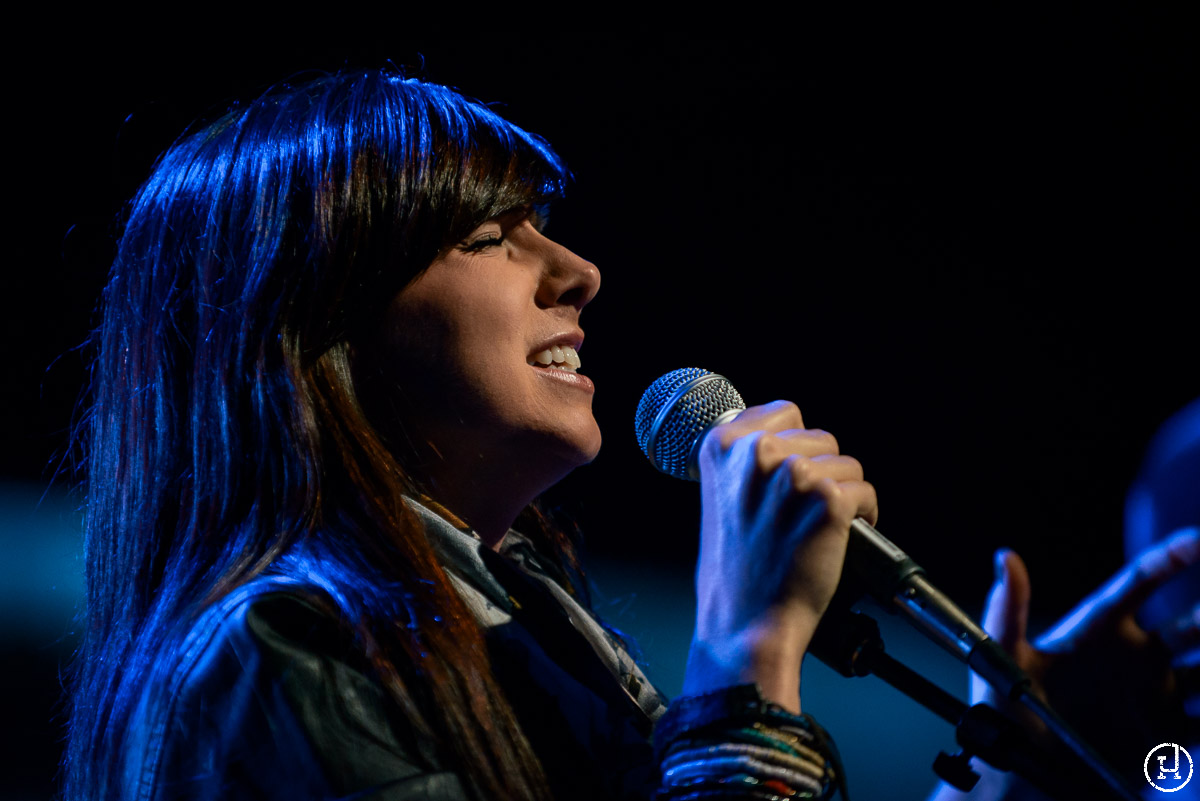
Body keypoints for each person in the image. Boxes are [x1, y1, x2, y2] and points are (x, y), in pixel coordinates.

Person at [63, 68, 1197, 801]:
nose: (577, 272)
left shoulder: (534, 634)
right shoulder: (281, 653)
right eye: (487, 236)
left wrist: (1016, 766)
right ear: (315, 322)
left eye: (542, 230)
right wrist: (747, 654)